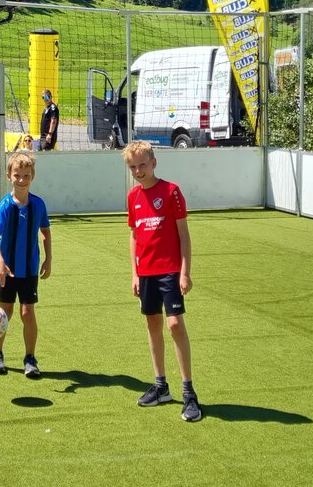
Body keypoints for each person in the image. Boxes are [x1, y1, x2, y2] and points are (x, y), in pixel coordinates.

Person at [121, 141, 201, 422]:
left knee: (175, 323)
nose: (138, 171)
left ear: (154, 163)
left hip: (170, 270)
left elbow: (184, 235)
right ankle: (160, 385)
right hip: (146, 273)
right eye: (132, 167)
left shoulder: (171, 192)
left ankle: (189, 392)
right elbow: (133, 234)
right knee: (152, 323)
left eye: (142, 165)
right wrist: (134, 273)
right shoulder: (132, 196)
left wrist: (185, 271)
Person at [0, 151, 51, 378]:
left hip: (30, 269)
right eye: (17, 175)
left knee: (27, 312)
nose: (22, 180)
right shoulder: (5, 205)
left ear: (32, 176)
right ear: (8, 176)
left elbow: (45, 230)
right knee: (4, 312)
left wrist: (48, 258)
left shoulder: (38, 204)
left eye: (26, 175)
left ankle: (30, 358)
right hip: (7, 270)